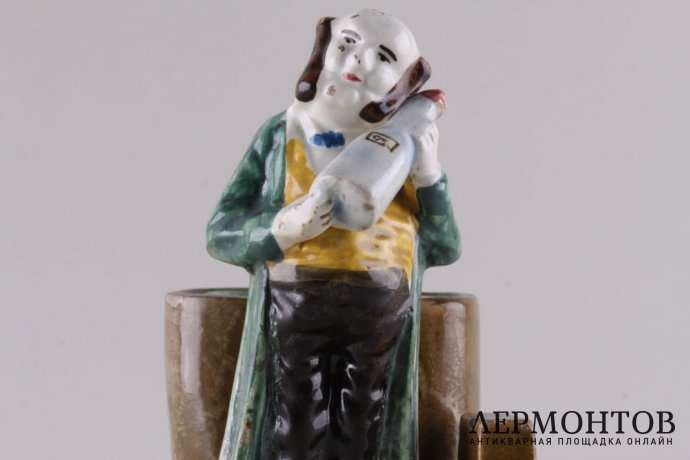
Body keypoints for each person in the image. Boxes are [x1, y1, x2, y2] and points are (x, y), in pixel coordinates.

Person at [207, 10, 460, 459]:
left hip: (380, 300)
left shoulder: (402, 146)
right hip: (297, 294)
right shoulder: (282, 133)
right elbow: (221, 231)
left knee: (364, 419)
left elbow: (444, 246)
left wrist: (428, 176)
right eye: (348, 42)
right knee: (296, 417)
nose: (359, 59)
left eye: (383, 57)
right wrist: (282, 228)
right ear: (322, 50)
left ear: (403, 85)